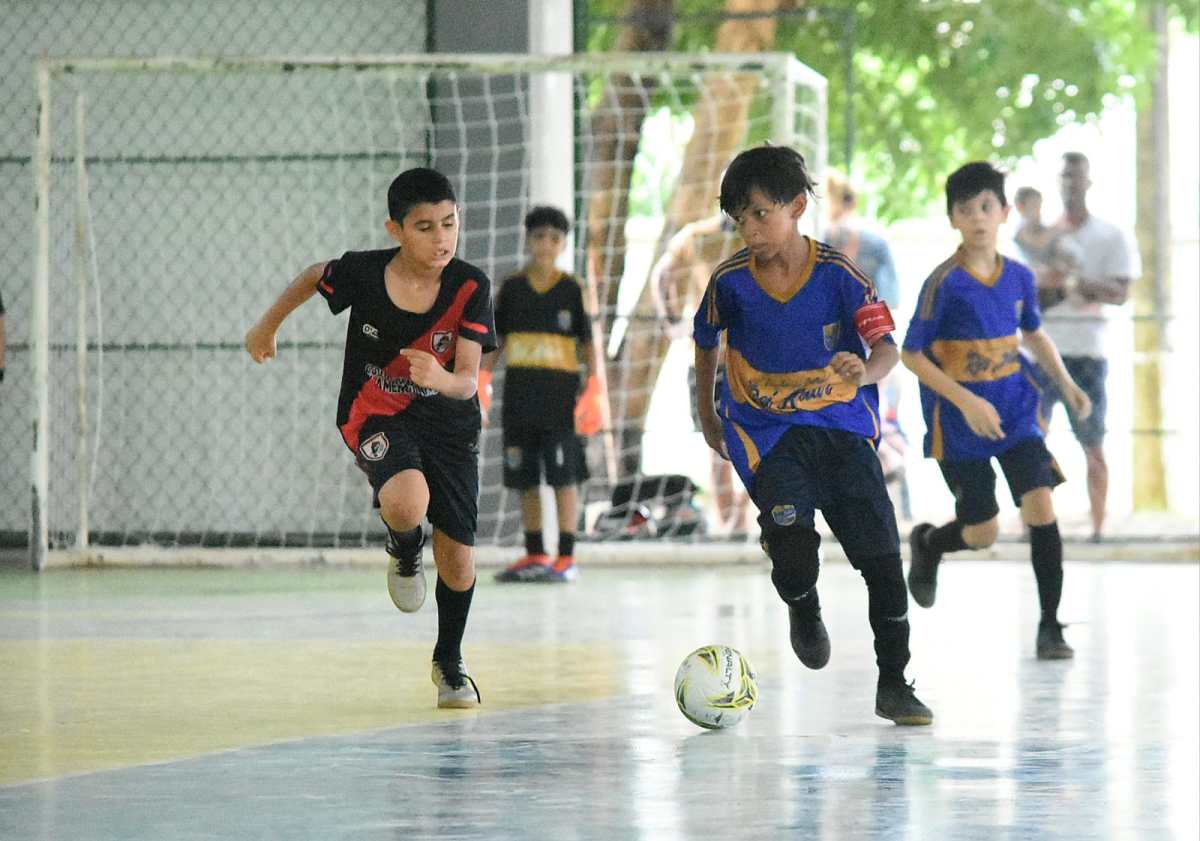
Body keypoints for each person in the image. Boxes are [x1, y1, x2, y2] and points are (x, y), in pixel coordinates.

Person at [693, 144, 933, 725]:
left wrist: (864, 370)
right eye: (738, 218)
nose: (749, 229)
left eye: (760, 214)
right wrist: (708, 414)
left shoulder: (839, 276)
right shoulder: (729, 283)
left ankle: (894, 683)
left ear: (797, 206)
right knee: (793, 543)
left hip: (842, 428)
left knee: (881, 560)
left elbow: (886, 348)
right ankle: (803, 601)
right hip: (768, 432)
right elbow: (704, 344)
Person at [244, 167, 497, 708]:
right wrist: (267, 326)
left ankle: (448, 662)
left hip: (451, 425)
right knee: (407, 501)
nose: (441, 238)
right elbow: (315, 276)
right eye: (425, 227)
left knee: (458, 561)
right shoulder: (364, 273)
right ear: (395, 230)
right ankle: (405, 548)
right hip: (375, 413)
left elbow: (467, 381)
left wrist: (440, 377)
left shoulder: (471, 286)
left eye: (449, 224)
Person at [901, 161, 1093, 660]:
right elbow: (911, 354)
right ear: (952, 219)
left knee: (1040, 505)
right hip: (959, 423)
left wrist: (1067, 386)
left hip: (1016, 411)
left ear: (1004, 213)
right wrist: (966, 400)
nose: (978, 217)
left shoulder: (1019, 278)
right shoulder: (943, 283)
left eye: (987, 207)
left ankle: (1051, 626)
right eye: (965, 209)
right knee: (982, 531)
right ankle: (930, 545)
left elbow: (1033, 333)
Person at [486, 206, 601, 583]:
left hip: (560, 401)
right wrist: (481, 379)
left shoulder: (572, 289)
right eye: (539, 236)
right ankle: (535, 553)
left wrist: (594, 387)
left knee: (562, 476)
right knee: (524, 477)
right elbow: (496, 342)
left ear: (564, 243)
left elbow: (587, 344)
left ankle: (566, 557)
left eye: (554, 238)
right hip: (519, 398)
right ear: (528, 239)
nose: (546, 245)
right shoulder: (512, 288)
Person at [1037, 152, 1140, 542]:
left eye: (1076, 177)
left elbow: (1121, 292)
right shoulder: (1043, 237)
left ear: (1089, 182)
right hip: (1043, 351)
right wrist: (1057, 285)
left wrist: (1076, 284)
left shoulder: (1111, 235)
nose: (1070, 184)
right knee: (1033, 441)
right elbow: (1030, 295)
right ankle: (1039, 525)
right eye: (1064, 177)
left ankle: (1098, 528)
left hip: (1088, 353)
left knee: (1093, 443)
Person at [649, 212, 754, 535]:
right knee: (718, 444)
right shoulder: (696, 236)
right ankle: (727, 524)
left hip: (754, 357)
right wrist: (671, 321)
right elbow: (662, 273)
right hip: (711, 358)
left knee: (759, 441)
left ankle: (742, 518)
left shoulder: (759, 234)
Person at [1011, 185, 1080, 312]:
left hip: (1057, 291)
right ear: (1020, 207)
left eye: (1039, 206)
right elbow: (1037, 245)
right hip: (1034, 291)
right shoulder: (1019, 234)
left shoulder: (1047, 230)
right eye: (1034, 206)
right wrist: (1056, 229)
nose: (1038, 211)